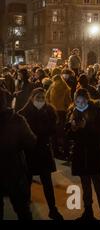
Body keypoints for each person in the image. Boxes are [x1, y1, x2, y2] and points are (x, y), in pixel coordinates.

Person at [18, 88, 63, 220]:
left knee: (47, 183)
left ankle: (52, 209)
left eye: (42, 98)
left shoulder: (49, 111)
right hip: (29, 152)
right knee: (27, 182)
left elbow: (53, 129)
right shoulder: (23, 113)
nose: (40, 100)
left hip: (43, 151)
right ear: (31, 98)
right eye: (38, 98)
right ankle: (25, 210)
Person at [66, 88, 100, 220]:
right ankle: (88, 211)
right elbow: (68, 134)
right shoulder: (73, 111)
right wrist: (72, 129)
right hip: (80, 154)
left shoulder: (96, 110)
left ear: (87, 99)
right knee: (85, 185)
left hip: (94, 153)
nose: (80, 103)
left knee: (98, 184)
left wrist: (87, 127)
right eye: (77, 101)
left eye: (82, 100)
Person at [0, 88, 36, 220]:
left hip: (12, 170)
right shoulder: (17, 119)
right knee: (23, 210)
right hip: (14, 170)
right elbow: (31, 142)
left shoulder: (17, 119)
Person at [46, 75, 72, 159]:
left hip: (53, 111)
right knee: (63, 132)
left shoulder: (52, 86)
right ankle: (66, 151)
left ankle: (55, 150)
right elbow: (68, 101)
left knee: (53, 132)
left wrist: (50, 106)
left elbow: (46, 97)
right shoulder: (65, 88)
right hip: (62, 112)